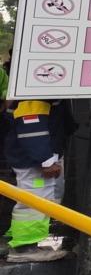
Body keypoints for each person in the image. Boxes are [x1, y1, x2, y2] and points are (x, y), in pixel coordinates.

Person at [3, 100, 71, 263]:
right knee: (33, 202)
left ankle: (24, 240)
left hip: (36, 156)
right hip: (33, 160)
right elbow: (31, 128)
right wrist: (45, 160)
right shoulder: (35, 95)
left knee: (37, 200)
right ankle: (25, 247)